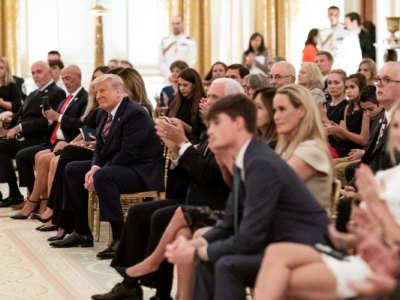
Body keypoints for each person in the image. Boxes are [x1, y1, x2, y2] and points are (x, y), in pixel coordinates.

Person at [164, 94, 329, 300]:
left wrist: (197, 252)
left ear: (239, 124)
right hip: (275, 240)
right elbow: (228, 223)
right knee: (214, 258)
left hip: (303, 245)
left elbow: (249, 238)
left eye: (216, 123)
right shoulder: (248, 158)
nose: (210, 130)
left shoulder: (260, 162)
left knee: (226, 263)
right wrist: (195, 245)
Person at [91, 78, 243, 300]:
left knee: (160, 217)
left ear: (233, 103)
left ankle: (161, 293)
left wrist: (182, 146)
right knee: (138, 213)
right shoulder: (209, 128)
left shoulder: (232, 134)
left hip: (215, 202)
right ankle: (130, 285)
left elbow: (211, 175)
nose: (207, 101)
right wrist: (175, 151)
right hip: (195, 196)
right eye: (208, 96)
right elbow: (191, 171)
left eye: (214, 98)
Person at [253, 103, 400, 300]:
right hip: (374, 260)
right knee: (276, 253)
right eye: (396, 126)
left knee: (282, 277)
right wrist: (355, 237)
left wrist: (375, 203)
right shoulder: (389, 176)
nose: (398, 133)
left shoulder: (310, 149)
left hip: (388, 270)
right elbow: (382, 231)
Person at [49, 74, 163, 250]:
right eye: (96, 92)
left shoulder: (135, 113)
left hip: (140, 170)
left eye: (103, 91)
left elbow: (129, 153)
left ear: (118, 91)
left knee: (103, 176)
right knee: (72, 169)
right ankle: (82, 231)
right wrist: (94, 166)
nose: (98, 96)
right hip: (119, 166)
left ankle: (119, 237)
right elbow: (100, 149)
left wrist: (99, 171)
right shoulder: (104, 113)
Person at [11, 65, 88, 219]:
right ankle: (41, 202)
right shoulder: (67, 98)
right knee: (37, 157)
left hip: (67, 141)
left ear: (79, 77)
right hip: (53, 139)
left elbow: (80, 124)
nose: (65, 82)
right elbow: (53, 122)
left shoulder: (84, 98)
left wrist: (56, 117)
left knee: (42, 158)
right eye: (64, 78)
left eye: (69, 78)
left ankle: (37, 202)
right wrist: (48, 117)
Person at [0, 61, 65, 208]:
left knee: (21, 154)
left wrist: (19, 127)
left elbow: (47, 121)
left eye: (39, 72)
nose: (36, 76)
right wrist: (9, 117)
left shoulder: (56, 92)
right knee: (1, 146)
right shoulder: (33, 93)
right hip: (25, 137)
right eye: (33, 73)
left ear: (49, 72)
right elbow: (21, 114)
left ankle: (32, 197)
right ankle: (15, 194)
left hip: (40, 138)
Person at [274, 84, 333, 211]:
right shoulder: (290, 146)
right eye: (275, 110)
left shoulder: (312, 150)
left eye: (282, 109)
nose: (276, 116)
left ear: (302, 111)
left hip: (306, 228)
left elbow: (272, 188)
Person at [328, 73, 369, 158]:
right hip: (345, 149)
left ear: (361, 88)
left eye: (352, 87)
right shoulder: (348, 108)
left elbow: (363, 140)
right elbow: (344, 138)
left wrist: (341, 131)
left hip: (357, 151)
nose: (348, 91)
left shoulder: (365, 109)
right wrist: (335, 129)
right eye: (346, 88)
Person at [318, 6, 362, 75]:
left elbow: (353, 53)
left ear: (339, 15)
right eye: (330, 14)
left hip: (342, 67)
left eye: (335, 15)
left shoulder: (347, 32)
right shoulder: (323, 33)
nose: (333, 17)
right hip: (327, 67)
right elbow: (320, 50)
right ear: (327, 16)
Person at [168, 68, 205, 143]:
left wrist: (181, 124)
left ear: (194, 85)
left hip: (192, 144)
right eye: (179, 85)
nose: (181, 88)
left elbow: (200, 133)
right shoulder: (175, 100)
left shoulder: (202, 103)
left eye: (185, 85)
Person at [0, 57, 21, 138]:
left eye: (1, 68)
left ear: (6, 70)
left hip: (7, 113)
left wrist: (2, 103)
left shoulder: (12, 85)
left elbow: (17, 105)